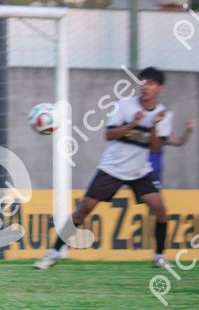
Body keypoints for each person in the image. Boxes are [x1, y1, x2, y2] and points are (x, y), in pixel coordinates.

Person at [35, 67, 174, 270]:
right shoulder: (125, 105)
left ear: (160, 88)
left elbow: (155, 148)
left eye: (151, 83)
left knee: (161, 211)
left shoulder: (164, 115)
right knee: (84, 209)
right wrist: (132, 125)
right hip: (113, 168)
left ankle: (159, 257)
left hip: (139, 171)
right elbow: (109, 135)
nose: (145, 86)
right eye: (143, 81)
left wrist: (153, 125)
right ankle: (53, 254)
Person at [149, 117, 195, 188]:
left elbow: (179, 141)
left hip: (154, 177)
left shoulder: (161, 131)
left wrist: (189, 130)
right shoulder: (136, 129)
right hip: (135, 174)